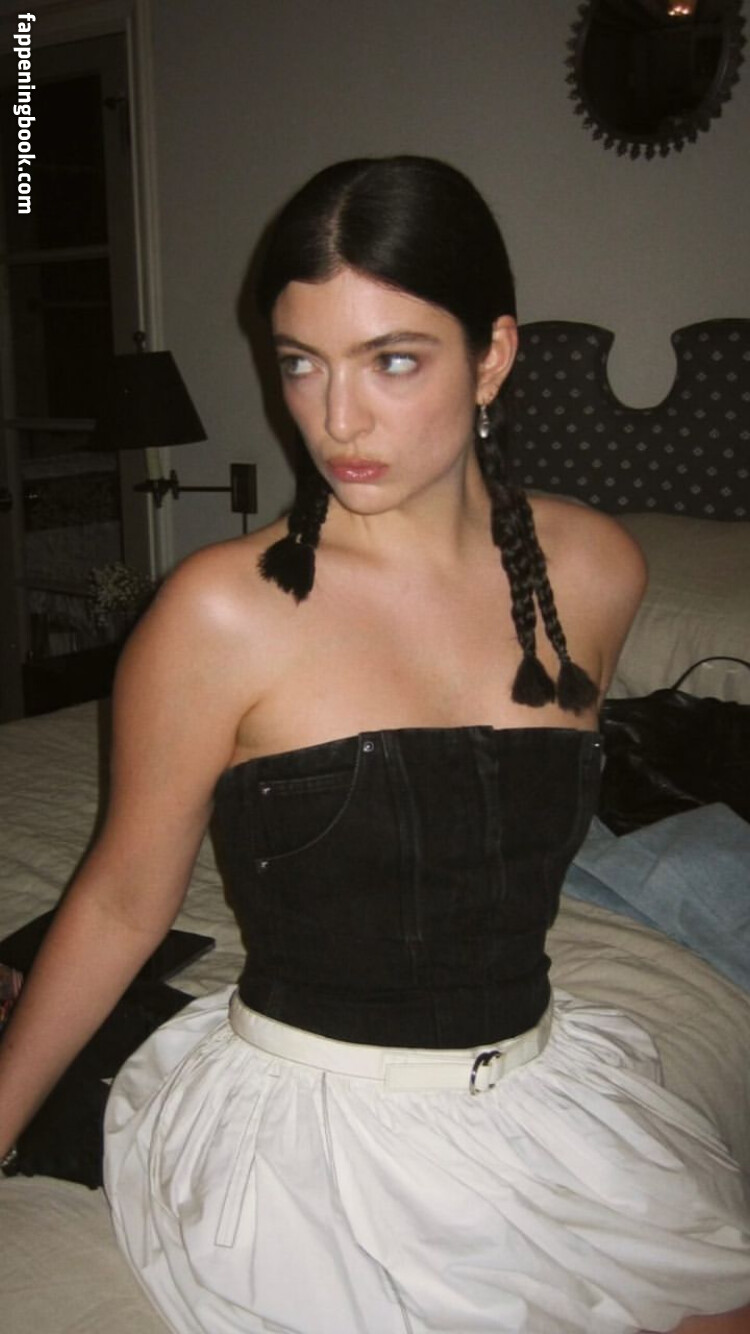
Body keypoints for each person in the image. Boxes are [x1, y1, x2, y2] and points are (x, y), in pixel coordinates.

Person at [0, 156, 748, 1334]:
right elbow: (120, 902)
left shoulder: (598, 571)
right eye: (302, 362)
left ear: (492, 356)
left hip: (538, 1081)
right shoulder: (219, 611)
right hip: (317, 1127)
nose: (336, 419)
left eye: (392, 359)